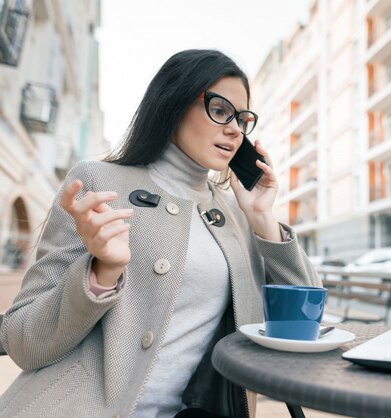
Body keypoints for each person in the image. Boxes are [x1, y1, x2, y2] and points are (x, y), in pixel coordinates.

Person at [0, 49, 321, 418]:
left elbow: (305, 322)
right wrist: (100, 274)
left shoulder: (237, 215)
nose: (234, 129)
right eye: (220, 111)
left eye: (242, 118)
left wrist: (264, 218)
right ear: (173, 104)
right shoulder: (97, 182)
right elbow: (22, 342)